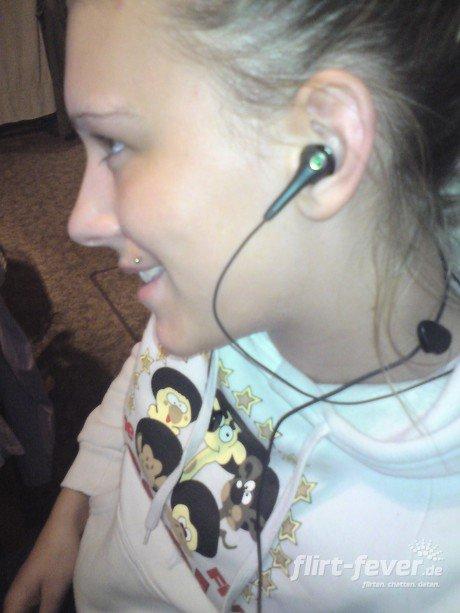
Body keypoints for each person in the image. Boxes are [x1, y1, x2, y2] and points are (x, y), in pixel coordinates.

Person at [5, 0, 460, 611]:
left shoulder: (430, 565)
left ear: (321, 149)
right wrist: (73, 508)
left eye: (115, 143)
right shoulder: (219, 291)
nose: (81, 223)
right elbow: (147, 375)